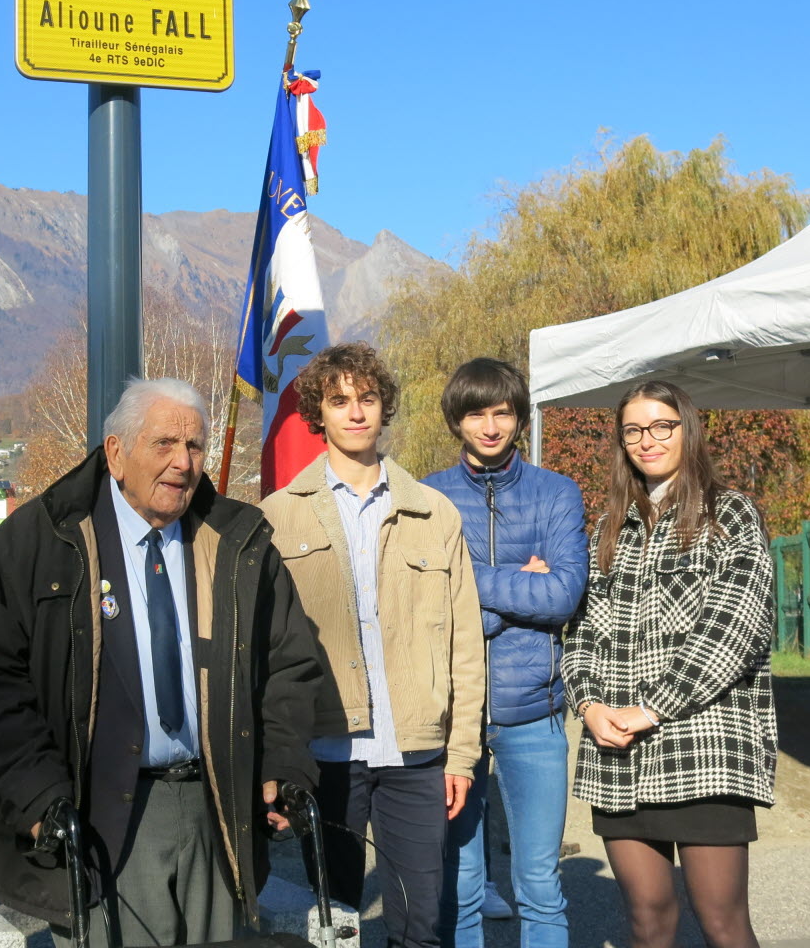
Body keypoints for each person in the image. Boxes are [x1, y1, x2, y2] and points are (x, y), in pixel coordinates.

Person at [0, 377, 322, 945]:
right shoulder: (41, 540)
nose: (183, 462)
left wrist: (285, 763)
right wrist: (38, 794)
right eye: (164, 443)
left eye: (194, 447)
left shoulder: (238, 544)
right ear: (116, 453)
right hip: (101, 814)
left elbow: (288, 664)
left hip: (215, 810)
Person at [259, 342, 485, 948]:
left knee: (419, 926)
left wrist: (461, 755)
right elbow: (263, 655)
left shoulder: (433, 513)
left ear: (385, 409)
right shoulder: (278, 517)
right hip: (326, 756)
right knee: (333, 927)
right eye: (339, 401)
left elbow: (465, 644)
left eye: (367, 399)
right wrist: (275, 763)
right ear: (319, 415)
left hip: (416, 756)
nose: (355, 412)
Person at [562, 380, 776, 948]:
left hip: (703, 745)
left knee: (723, 923)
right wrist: (589, 702)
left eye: (662, 426)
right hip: (619, 759)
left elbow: (738, 627)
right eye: (633, 430)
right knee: (648, 922)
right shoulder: (609, 529)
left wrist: (653, 707)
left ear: (688, 429)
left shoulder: (729, 514)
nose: (647, 440)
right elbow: (581, 631)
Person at [425, 358, 588, 948]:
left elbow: (563, 596)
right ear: (456, 421)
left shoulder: (556, 492)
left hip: (535, 716)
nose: (491, 427)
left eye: (502, 412)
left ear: (518, 417)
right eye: (476, 414)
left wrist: (470, 581)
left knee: (540, 885)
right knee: (460, 883)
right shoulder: (427, 499)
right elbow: (426, 613)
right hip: (450, 720)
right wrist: (522, 579)